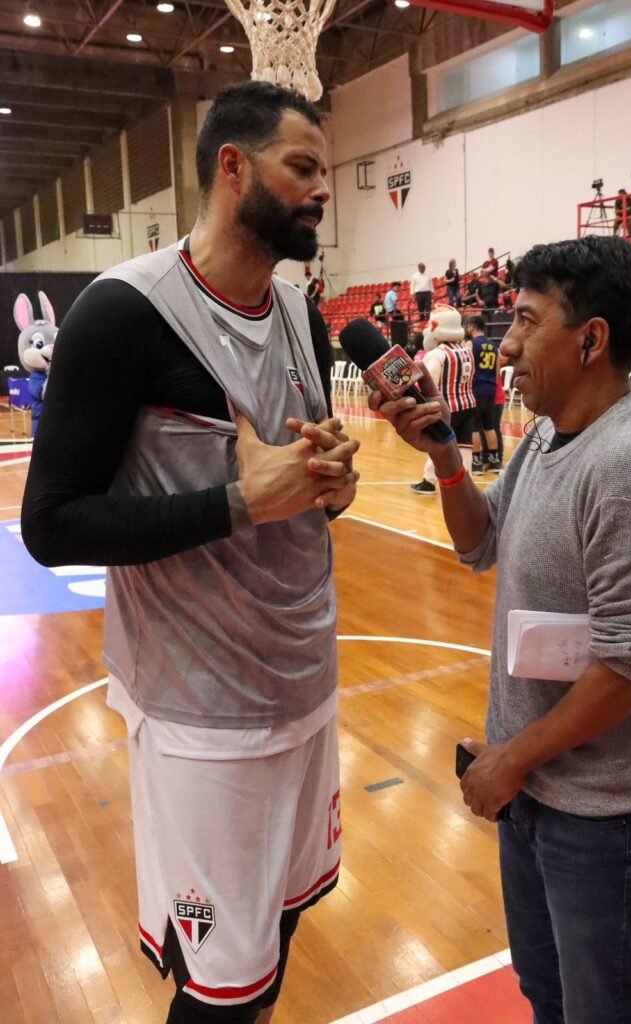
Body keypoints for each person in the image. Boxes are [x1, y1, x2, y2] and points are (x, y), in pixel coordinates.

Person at [22, 81, 360, 1024]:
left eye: (323, 171)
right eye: (303, 167)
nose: (321, 189)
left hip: (305, 680)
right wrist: (239, 503)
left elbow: (303, 497)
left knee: (278, 942)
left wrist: (328, 484)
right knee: (218, 992)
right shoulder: (122, 312)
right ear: (231, 167)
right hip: (203, 716)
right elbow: (53, 524)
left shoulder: (300, 312)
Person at [371, 235, 631, 1024]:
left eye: (522, 321)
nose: (503, 346)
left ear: (590, 339)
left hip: (603, 817)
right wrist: (446, 459)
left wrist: (509, 760)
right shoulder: (548, 437)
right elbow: (477, 543)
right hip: (536, 792)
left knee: (602, 1011)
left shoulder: (627, 468)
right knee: (548, 997)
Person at [410, 305, 475, 495]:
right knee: (464, 445)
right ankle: (467, 483)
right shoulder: (466, 352)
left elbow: (428, 382)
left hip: (446, 406)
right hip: (468, 403)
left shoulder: (437, 354)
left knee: (439, 443)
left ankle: (429, 481)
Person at [464, 314, 504, 473]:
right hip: (490, 388)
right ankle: (494, 461)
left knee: (474, 427)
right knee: (489, 426)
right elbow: (497, 369)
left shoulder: (471, 344)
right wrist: (493, 385)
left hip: (476, 388)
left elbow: (468, 368)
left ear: (472, 326)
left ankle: (476, 462)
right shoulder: (493, 345)